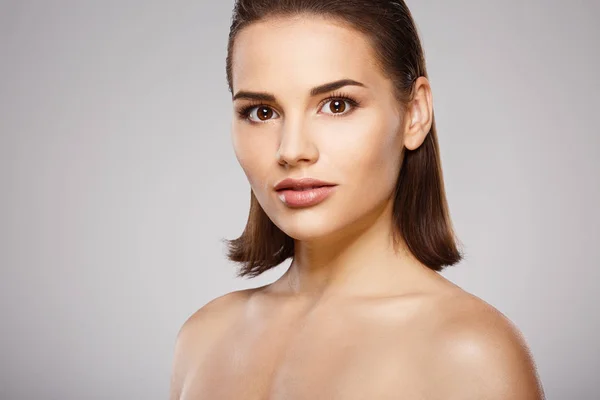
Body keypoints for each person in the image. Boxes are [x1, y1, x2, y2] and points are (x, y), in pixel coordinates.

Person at [170, 1, 545, 398]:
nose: (292, 149)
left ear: (414, 114)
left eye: (337, 105)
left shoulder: (470, 353)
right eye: (262, 112)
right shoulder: (202, 337)